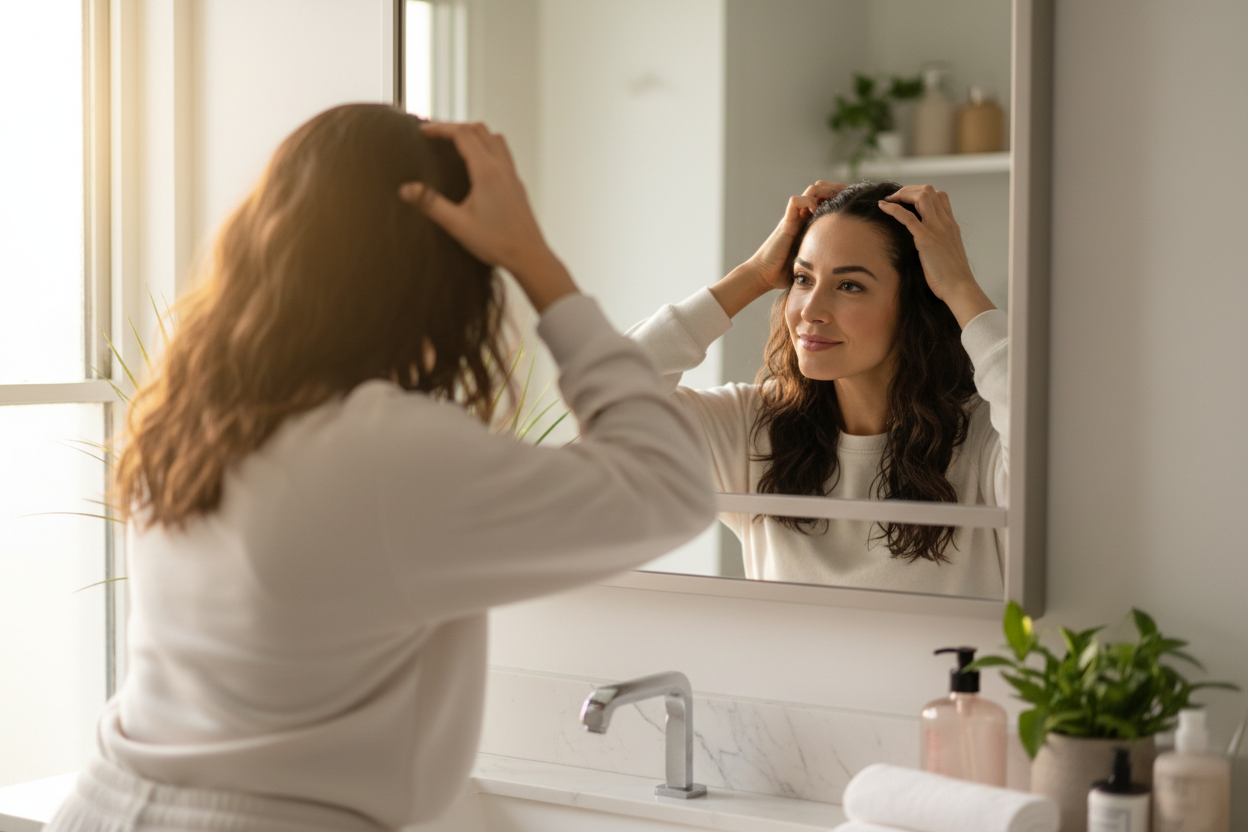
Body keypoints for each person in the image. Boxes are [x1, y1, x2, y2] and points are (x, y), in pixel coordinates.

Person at [47, 105, 714, 832]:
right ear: (444, 271)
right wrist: (535, 260)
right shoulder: (388, 450)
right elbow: (671, 485)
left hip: (105, 806)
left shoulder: (192, 413)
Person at [627, 180, 1007, 598]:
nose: (810, 310)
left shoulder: (986, 439)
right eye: (802, 278)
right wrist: (752, 275)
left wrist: (959, 286)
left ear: (915, 305)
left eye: (849, 286)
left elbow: (1051, 445)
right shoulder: (753, 428)